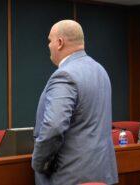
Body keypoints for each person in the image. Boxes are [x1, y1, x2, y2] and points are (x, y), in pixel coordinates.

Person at [31, 20, 118, 185]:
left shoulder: (64, 75)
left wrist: (37, 163)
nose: (48, 45)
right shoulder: (100, 70)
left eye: (50, 40)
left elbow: (54, 127)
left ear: (60, 43)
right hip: (101, 173)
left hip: (69, 175)